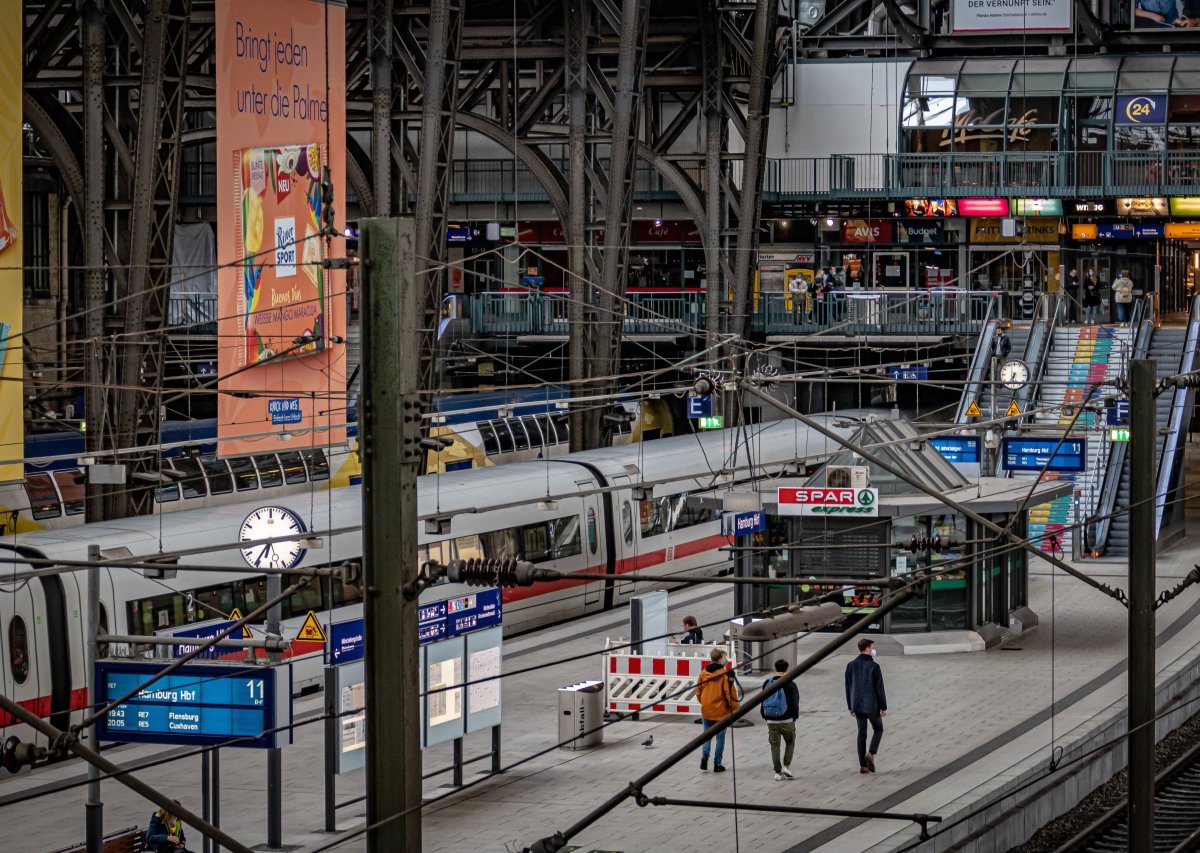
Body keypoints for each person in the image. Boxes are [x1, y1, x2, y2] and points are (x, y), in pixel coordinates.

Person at [845, 637, 887, 774]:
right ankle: (871, 752)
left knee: (861, 733)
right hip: (871, 704)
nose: (873, 650)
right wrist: (883, 706)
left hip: (856, 704)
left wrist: (850, 706)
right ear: (868, 649)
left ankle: (863, 766)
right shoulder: (874, 666)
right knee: (878, 729)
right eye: (872, 647)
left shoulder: (850, 665)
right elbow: (879, 687)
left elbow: (848, 686)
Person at [695, 647, 739, 772]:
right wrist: (735, 708)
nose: (726, 660)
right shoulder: (724, 675)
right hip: (721, 712)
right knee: (720, 738)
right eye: (725, 657)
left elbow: (698, 690)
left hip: (706, 710)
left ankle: (705, 755)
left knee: (706, 735)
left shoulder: (704, 672)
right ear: (720, 659)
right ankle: (717, 764)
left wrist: (703, 702)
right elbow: (729, 693)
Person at [760, 659, 800, 781]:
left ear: (775, 668)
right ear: (787, 669)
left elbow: (762, 699)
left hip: (771, 720)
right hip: (787, 720)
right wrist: (794, 716)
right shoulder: (790, 684)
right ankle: (786, 766)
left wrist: (765, 716)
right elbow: (795, 702)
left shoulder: (768, 682)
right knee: (790, 742)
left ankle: (777, 773)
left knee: (775, 746)